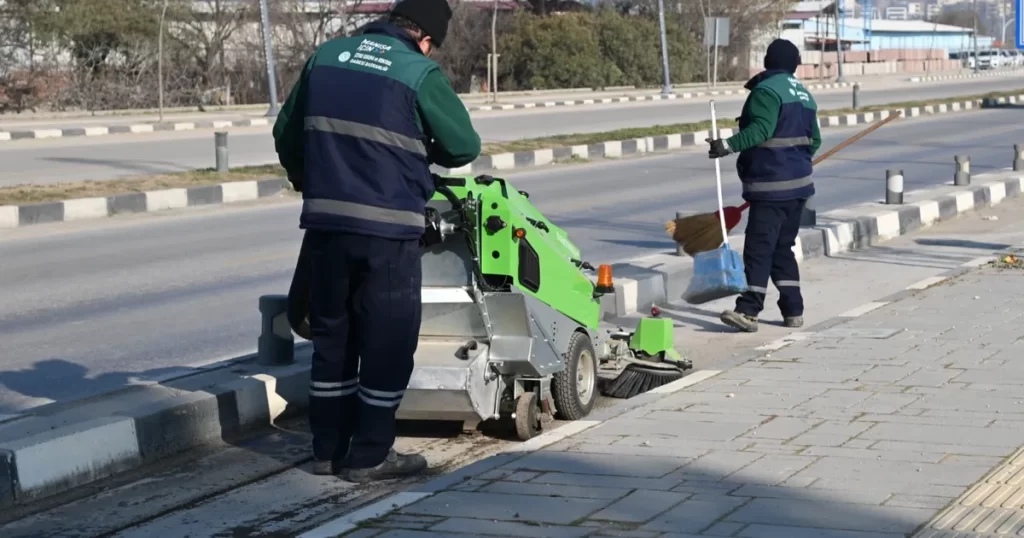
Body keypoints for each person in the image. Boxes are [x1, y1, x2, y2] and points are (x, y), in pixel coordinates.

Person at [272, 0, 482, 483]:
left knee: (334, 338)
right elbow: (464, 146)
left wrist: (308, 178)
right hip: (387, 233)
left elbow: (287, 134)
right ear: (425, 37)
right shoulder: (417, 71)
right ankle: (369, 456)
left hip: (325, 227)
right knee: (387, 342)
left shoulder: (326, 56)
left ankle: (326, 450)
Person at [705, 39, 821, 333]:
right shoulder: (805, 95)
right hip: (799, 188)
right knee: (783, 248)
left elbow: (761, 130)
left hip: (771, 186)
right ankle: (793, 310)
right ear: (794, 64)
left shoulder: (766, 90)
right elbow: (815, 140)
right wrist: (796, 163)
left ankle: (749, 310)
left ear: (768, 62)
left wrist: (726, 145)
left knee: (759, 249)